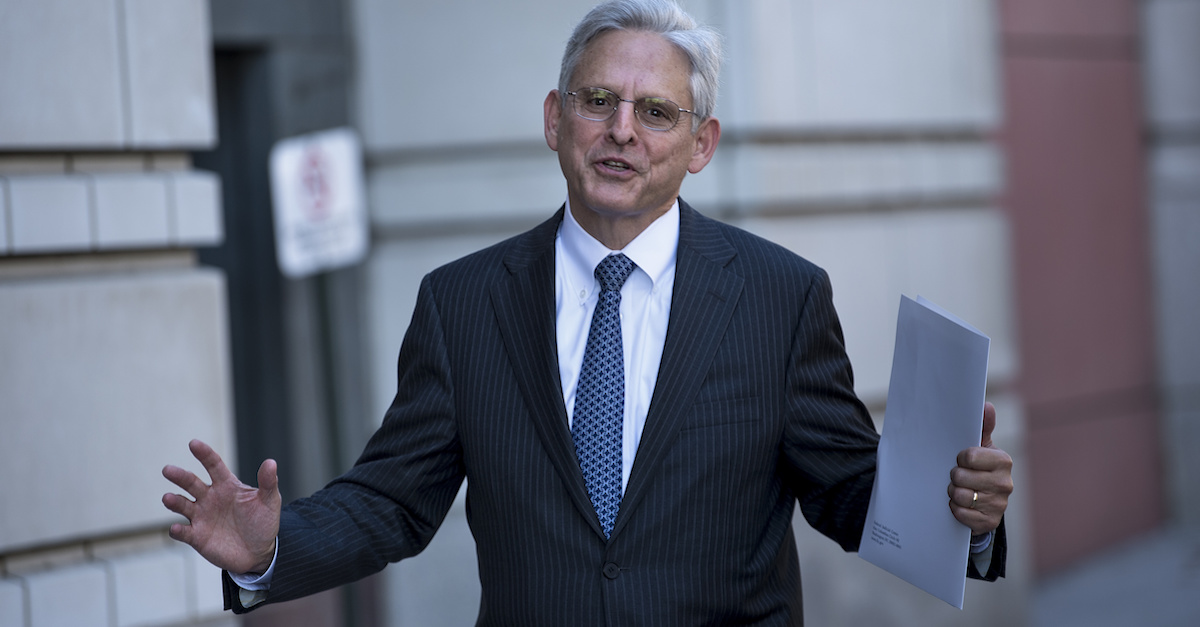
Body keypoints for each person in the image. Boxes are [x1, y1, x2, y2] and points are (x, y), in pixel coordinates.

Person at [162, 1, 1013, 624]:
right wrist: (273, 546)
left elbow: (848, 494)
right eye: (597, 100)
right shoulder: (462, 303)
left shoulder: (780, 298)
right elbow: (395, 500)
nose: (622, 131)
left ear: (700, 145)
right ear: (554, 119)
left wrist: (954, 512)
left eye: (655, 112)